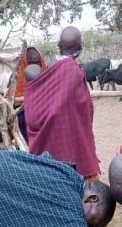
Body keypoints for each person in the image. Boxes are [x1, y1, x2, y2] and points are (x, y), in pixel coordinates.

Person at [22, 26, 100, 180]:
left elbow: (34, 111)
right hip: (71, 143)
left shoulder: (49, 68)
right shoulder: (74, 71)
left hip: (47, 150)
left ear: (59, 46)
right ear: (80, 47)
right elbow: (83, 108)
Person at [7, 45, 48, 143]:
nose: (35, 67)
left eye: (37, 62)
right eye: (31, 63)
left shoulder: (47, 76)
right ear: (25, 63)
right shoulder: (17, 82)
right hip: (21, 114)